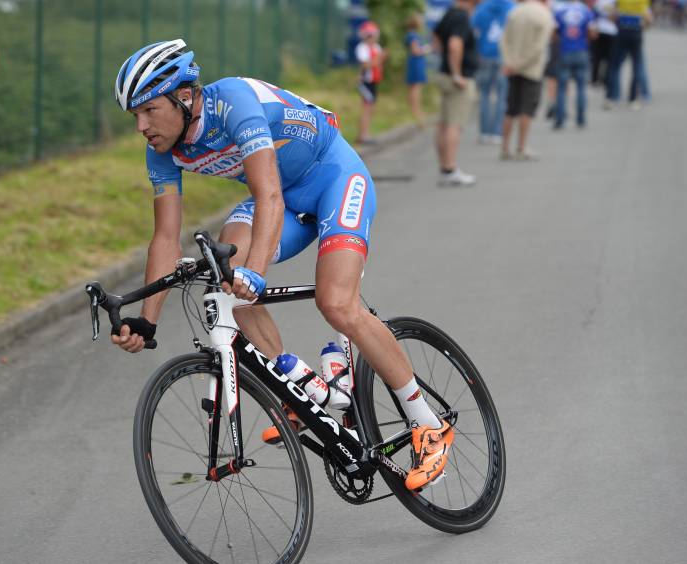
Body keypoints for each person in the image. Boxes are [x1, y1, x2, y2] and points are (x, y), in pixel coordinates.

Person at [111, 39, 453, 491]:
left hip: (332, 177)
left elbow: (268, 192)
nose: (141, 126)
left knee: (337, 304)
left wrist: (256, 271)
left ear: (184, 96)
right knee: (223, 275)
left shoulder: (232, 102)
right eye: (133, 115)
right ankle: (296, 390)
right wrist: (146, 319)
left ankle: (427, 424)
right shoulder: (162, 150)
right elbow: (164, 238)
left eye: (149, 110)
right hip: (283, 201)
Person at [500, 0, 555, 160]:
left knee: (511, 108)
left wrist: (510, 62)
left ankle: (505, 147)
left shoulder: (514, 12)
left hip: (512, 66)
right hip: (532, 69)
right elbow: (539, 47)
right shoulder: (544, 14)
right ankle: (521, 147)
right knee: (527, 110)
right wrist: (520, 64)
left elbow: (504, 40)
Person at [433, 0, 480, 186]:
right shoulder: (461, 16)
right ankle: (450, 169)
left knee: (443, 123)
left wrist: (441, 57)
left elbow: (436, 36)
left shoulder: (450, 13)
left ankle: (445, 167)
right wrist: (457, 74)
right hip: (458, 79)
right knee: (454, 124)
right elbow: (455, 44)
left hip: (444, 74)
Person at [472, 0, 516, 143]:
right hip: (504, 56)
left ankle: (484, 133)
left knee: (484, 94)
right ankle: (497, 132)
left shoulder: (482, 7)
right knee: (502, 96)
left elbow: (474, 30)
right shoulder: (512, 8)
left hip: (484, 55)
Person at [553, 0, 596, 129]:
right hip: (581, 50)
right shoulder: (585, 10)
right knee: (581, 87)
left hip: (565, 51)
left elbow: (553, 33)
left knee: (561, 88)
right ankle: (581, 119)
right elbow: (593, 33)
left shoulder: (559, 11)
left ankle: (560, 119)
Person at [605, 0, 653, 108]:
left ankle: (612, 97)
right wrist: (643, 27)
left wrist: (617, 23)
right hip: (636, 32)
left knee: (614, 66)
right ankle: (633, 100)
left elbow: (612, 15)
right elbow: (649, 19)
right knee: (636, 67)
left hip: (622, 31)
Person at [355, 21, 386, 144]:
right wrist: (379, 59)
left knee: (371, 108)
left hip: (374, 82)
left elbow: (378, 64)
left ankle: (366, 133)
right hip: (365, 82)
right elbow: (365, 65)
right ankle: (362, 135)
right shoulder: (362, 48)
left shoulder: (377, 47)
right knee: (367, 107)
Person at [404, 13, 432, 127]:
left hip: (414, 63)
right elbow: (415, 51)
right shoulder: (413, 36)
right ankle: (416, 110)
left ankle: (414, 109)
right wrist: (426, 49)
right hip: (416, 63)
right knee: (416, 88)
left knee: (413, 87)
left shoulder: (410, 35)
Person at [590, 0, 618, 87]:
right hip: (611, 31)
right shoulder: (615, 2)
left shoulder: (599, 2)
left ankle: (595, 79)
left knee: (597, 58)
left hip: (600, 30)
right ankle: (606, 80)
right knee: (609, 58)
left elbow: (593, 16)